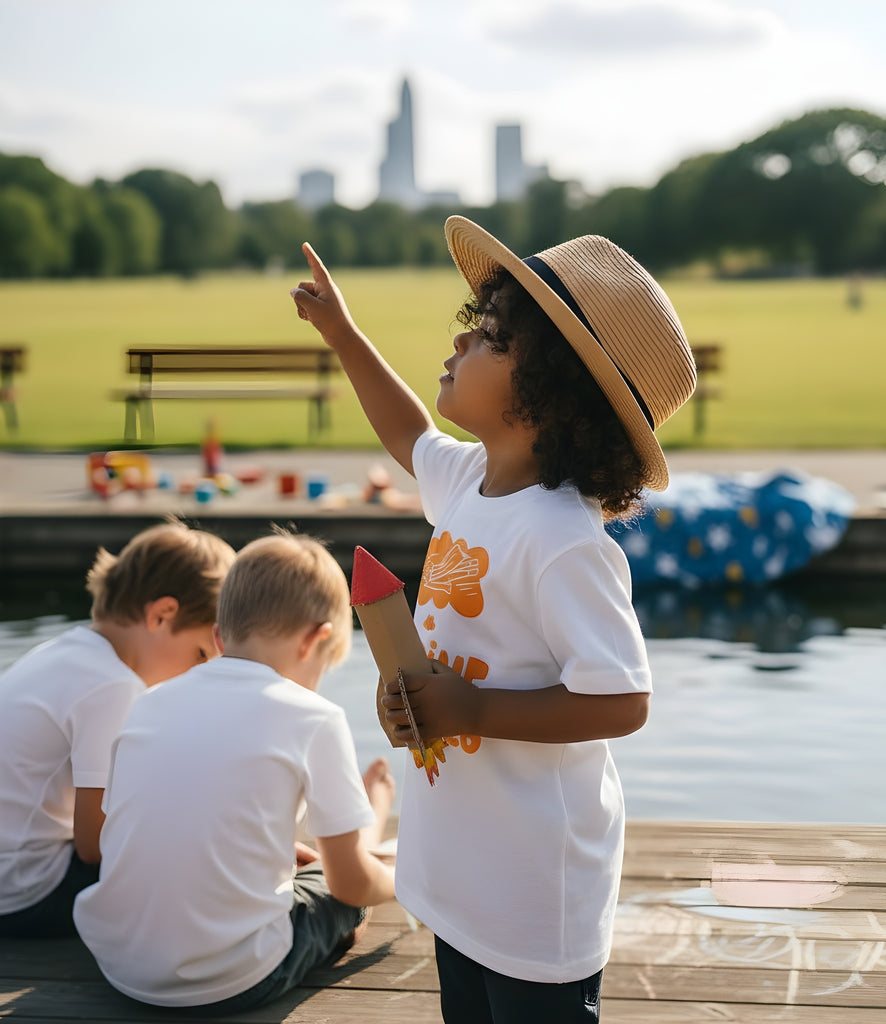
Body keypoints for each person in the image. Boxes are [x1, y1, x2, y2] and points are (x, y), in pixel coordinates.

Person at [289, 216, 697, 1022]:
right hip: (463, 871)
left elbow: (622, 700)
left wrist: (473, 709)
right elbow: (409, 433)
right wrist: (343, 334)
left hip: (533, 891)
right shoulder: (472, 482)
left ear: (551, 395)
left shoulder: (560, 540)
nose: (457, 347)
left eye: (489, 339)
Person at [73, 531, 396, 1015]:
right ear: (316, 639)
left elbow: (157, 816)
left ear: (220, 635)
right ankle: (371, 829)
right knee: (348, 892)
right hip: (231, 980)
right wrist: (406, 877)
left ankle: (365, 826)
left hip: (119, 964)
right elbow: (350, 885)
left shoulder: (147, 704)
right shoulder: (314, 716)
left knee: (322, 865)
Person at [0, 519, 235, 939]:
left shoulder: (66, 651)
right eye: (201, 654)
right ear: (162, 615)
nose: (199, 672)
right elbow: (95, 846)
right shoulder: (112, 686)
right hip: (25, 891)